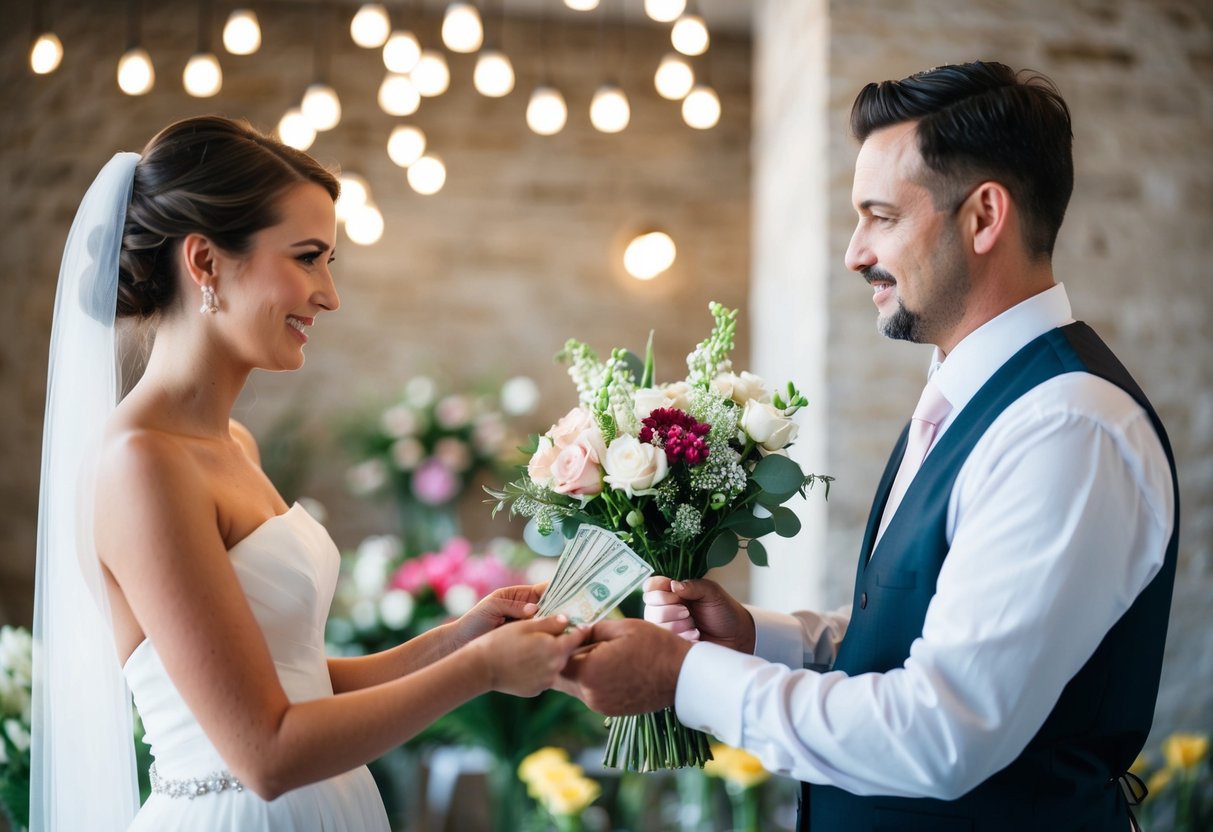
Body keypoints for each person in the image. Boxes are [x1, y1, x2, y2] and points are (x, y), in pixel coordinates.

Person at [559, 61, 1179, 831]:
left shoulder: (1067, 427)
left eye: (879, 216)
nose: (854, 253)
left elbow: (940, 733)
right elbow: (929, 630)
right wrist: (761, 638)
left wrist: (684, 677)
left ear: (984, 217)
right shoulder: (966, 393)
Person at [30, 115, 587, 831]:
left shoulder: (234, 443)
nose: (328, 294)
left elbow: (299, 680)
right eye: (306, 257)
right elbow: (263, 753)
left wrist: (461, 636)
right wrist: (478, 674)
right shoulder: (140, 463)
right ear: (204, 262)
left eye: (329, 263)